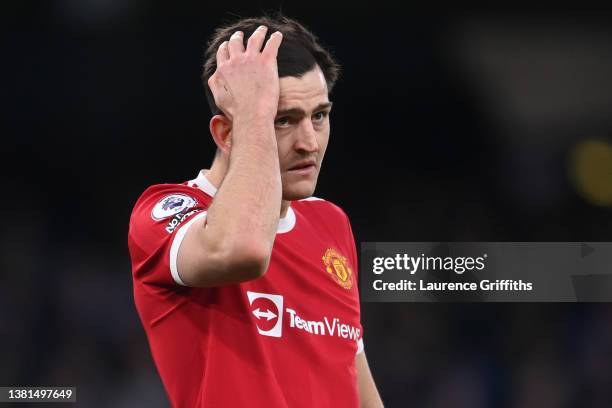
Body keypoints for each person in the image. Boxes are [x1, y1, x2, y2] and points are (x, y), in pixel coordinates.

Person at [128, 15, 383, 407]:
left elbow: (353, 382)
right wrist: (253, 114)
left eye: (319, 115)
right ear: (227, 132)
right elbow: (243, 249)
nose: (309, 143)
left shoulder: (331, 223)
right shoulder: (163, 214)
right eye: (283, 120)